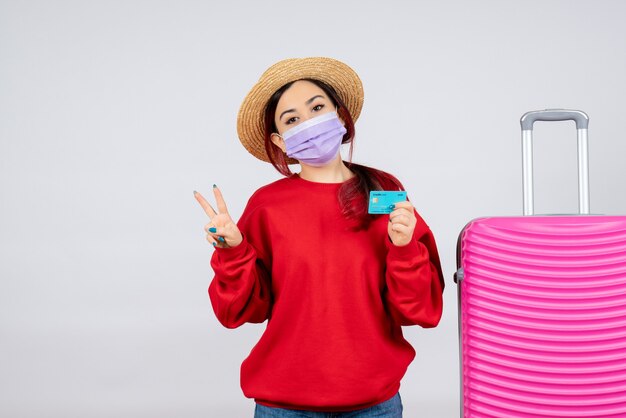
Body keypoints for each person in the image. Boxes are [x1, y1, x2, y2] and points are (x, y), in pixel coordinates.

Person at [193, 57, 445, 418]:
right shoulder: (267, 206)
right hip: (284, 404)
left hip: (375, 403)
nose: (309, 123)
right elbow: (240, 311)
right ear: (280, 140)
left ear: (340, 116)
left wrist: (404, 250)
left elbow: (419, 310)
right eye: (293, 119)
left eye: (317, 108)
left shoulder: (385, 191)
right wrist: (233, 251)